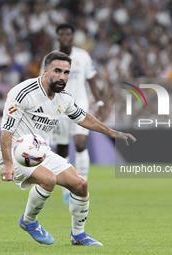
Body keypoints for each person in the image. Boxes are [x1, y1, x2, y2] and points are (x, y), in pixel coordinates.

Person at [0, 52, 135, 246]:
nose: (62, 76)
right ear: (45, 71)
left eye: (66, 72)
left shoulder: (64, 99)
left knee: (80, 185)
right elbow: (6, 130)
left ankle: (78, 235)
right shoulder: (23, 92)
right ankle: (29, 221)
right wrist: (8, 164)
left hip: (40, 153)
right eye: (57, 71)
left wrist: (111, 132)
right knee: (49, 179)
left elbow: (83, 117)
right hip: (14, 153)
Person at [40, 24, 104, 203]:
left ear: (73, 36)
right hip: (58, 107)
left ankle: (82, 183)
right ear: (58, 37)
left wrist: (99, 101)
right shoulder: (50, 58)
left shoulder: (83, 56)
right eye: (62, 34)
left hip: (79, 105)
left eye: (69, 34)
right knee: (62, 149)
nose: (66, 37)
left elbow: (91, 79)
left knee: (80, 143)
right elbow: (43, 83)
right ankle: (66, 192)